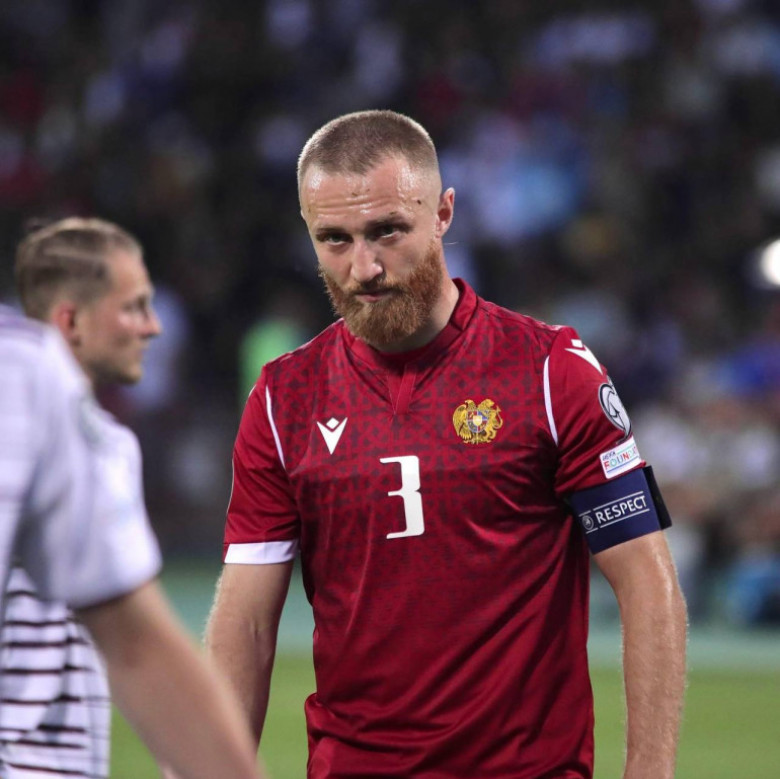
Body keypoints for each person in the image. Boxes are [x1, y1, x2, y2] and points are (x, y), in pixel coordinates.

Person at [206, 110, 688, 779]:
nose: (364, 267)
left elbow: (646, 582)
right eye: (334, 239)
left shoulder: (550, 372)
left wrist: (650, 770)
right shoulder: (283, 399)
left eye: (387, 231)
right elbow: (249, 623)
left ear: (443, 214)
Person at [0, 218, 264, 779]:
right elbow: (134, 640)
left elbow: (132, 642)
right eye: (134, 307)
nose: (153, 326)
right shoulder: (24, 383)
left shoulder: (93, 433)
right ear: (70, 320)